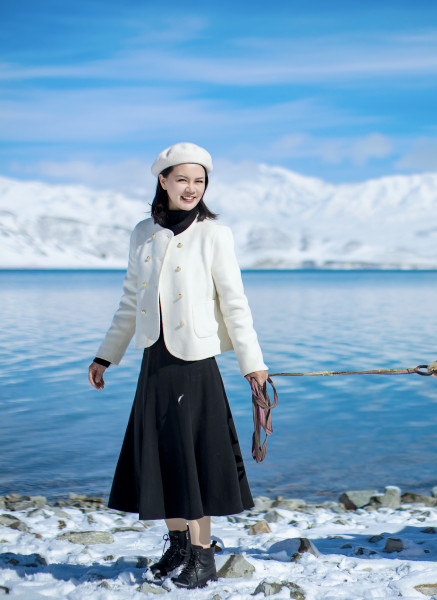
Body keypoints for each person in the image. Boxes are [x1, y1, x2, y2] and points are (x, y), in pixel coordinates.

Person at [88, 142, 267, 589]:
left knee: (195, 459)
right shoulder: (142, 232)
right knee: (161, 455)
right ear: (163, 181)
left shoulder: (214, 234)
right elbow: (131, 301)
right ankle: (178, 544)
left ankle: (203, 556)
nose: (191, 188)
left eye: (199, 181)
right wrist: (106, 354)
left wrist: (253, 364)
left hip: (195, 362)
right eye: (182, 179)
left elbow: (235, 303)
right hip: (155, 360)